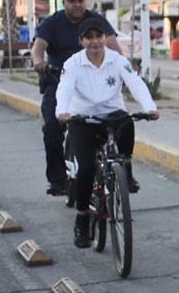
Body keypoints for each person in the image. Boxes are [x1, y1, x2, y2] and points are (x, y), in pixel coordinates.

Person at [55, 18, 160, 248]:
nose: (95, 41)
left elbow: (135, 82)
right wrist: (62, 111)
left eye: (98, 36)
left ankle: (126, 168)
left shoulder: (117, 60)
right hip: (82, 119)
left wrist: (149, 107)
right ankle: (82, 217)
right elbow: (64, 88)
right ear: (81, 41)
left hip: (112, 116)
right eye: (89, 37)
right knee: (86, 169)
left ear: (105, 38)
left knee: (128, 120)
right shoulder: (73, 64)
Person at [32, 0, 122, 197]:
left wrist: (123, 65)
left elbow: (113, 45)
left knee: (118, 121)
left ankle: (122, 170)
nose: (77, 4)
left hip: (93, 81)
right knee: (52, 130)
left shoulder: (95, 20)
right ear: (64, 3)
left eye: (81, 0)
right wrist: (38, 61)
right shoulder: (53, 23)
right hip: (58, 80)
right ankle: (58, 180)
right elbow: (38, 47)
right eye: (72, 0)